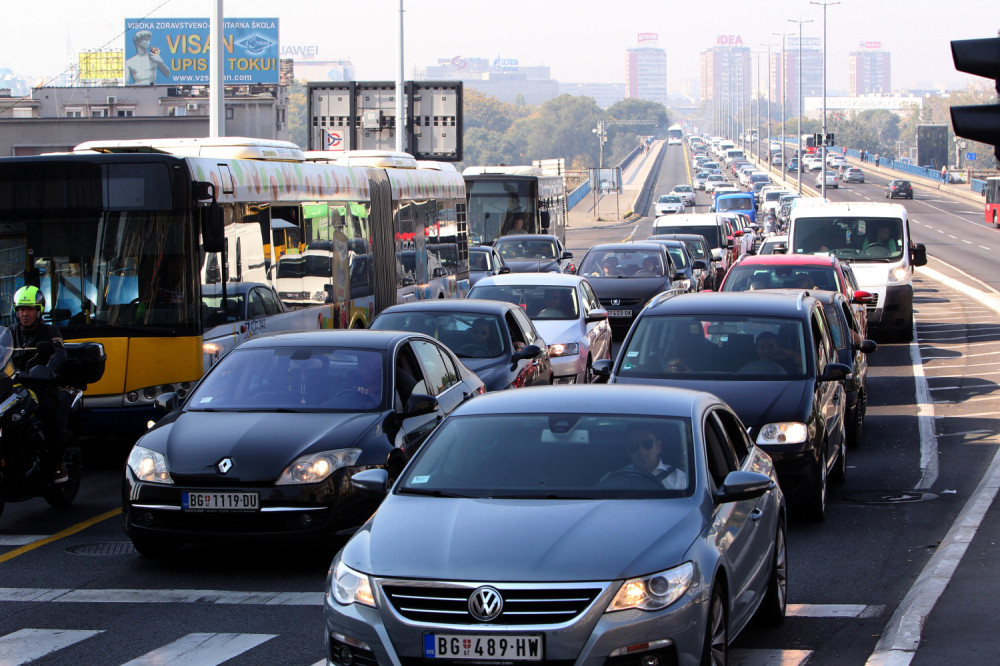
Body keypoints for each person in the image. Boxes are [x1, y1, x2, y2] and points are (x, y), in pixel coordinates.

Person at [10, 286, 69, 483]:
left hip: (41, 387)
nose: (24, 314)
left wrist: (49, 369)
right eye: (20, 309)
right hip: (14, 387)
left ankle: (57, 462)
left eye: (30, 309)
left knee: (48, 414)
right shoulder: (10, 333)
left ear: (39, 311)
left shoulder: (49, 331)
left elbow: (59, 352)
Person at [620, 424, 687, 490]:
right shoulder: (618, 478)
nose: (641, 451)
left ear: (658, 447)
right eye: (633, 446)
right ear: (628, 452)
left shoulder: (681, 480)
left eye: (647, 444)